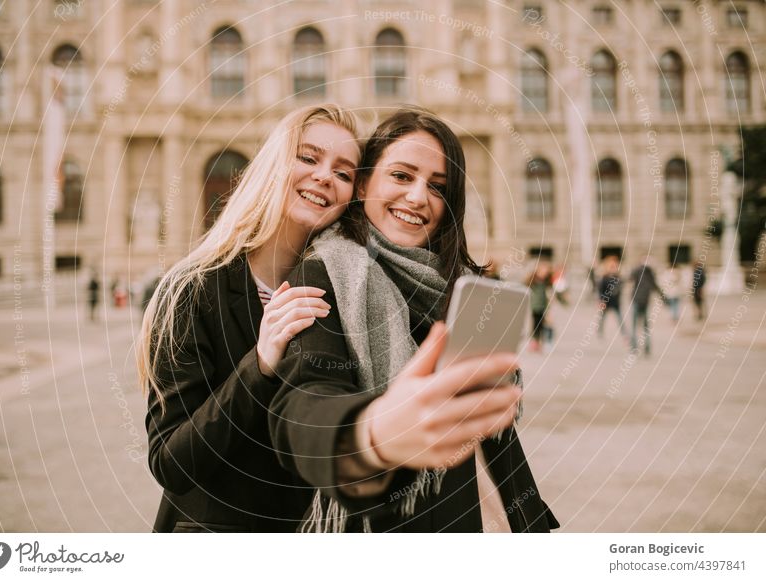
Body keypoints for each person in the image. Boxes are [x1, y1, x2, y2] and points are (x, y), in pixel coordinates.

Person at [268, 108, 558, 533]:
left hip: (498, 503)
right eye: (402, 176)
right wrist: (372, 433)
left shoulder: (455, 281)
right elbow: (305, 397)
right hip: (402, 520)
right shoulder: (325, 270)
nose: (419, 198)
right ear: (364, 183)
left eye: (437, 187)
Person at [136, 104, 361, 532]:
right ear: (274, 164)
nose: (325, 177)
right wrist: (258, 365)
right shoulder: (191, 289)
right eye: (309, 158)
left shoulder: (347, 289)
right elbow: (171, 463)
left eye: (344, 172)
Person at [628, 256, 666, 356]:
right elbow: (655, 286)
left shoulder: (637, 270)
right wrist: (663, 297)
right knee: (645, 326)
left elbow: (629, 278)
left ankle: (634, 347)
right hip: (644, 301)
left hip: (637, 300)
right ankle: (647, 347)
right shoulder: (650, 273)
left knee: (635, 325)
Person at [597, 256, 626, 337]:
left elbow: (620, 287)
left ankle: (623, 331)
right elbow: (601, 290)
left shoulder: (618, 277)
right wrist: (601, 300)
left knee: (619, 318)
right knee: (602, 318)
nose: (613, 268)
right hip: (606, 301)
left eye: (614, 266)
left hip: (615, 302)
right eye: (611, 266)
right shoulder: (604, 277)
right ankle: (600, 331)